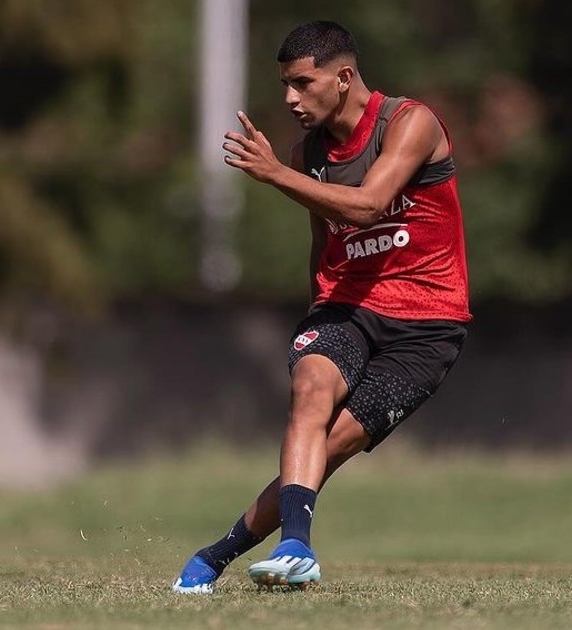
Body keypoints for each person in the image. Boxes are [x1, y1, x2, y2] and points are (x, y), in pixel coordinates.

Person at [172, 20, 471, 593]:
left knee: (328, 449)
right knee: (310, 387)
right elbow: (325, 241)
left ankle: (214, 556)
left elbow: (368, 206)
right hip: (347, 308)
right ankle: (296, 549)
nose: (290, 98)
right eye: (285, 85)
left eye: (302, 84)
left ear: (344, 78)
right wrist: (319, 320)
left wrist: (275, 175)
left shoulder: (410, 123)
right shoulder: (307, 154)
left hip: (427, 325)